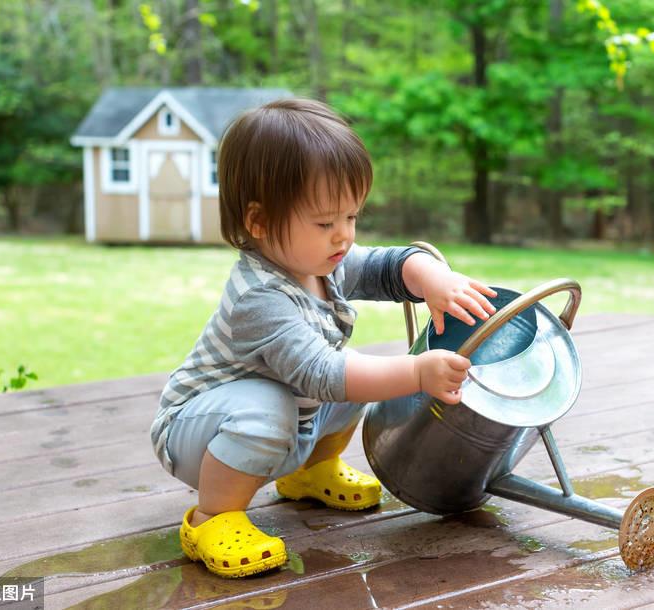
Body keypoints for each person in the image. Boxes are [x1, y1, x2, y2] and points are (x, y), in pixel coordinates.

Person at [149, 98, 498, 578]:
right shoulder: (260, 296)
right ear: (259, 222)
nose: (344, 237)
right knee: (312, 389)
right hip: (197, 433)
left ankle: (309, 471)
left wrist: (433, 278)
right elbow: (326, 373)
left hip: (284, 421)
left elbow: (387, 266)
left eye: (351, 218)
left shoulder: (319, 262)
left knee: (356, 376)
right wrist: (417, 371)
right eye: (325, 223)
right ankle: (213, 517)